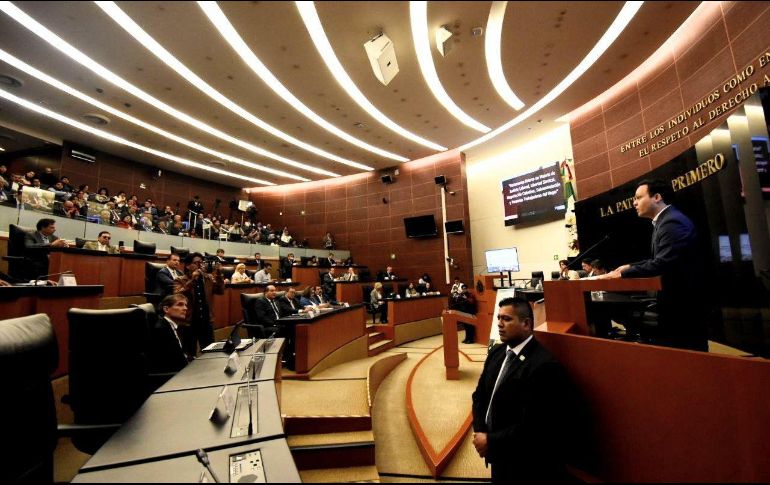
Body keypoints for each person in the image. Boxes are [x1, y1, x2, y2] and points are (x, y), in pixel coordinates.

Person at [471, 297, 570, 483]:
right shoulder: (496, 352)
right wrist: (480, 432)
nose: (499, 324)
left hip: (525, 462)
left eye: (507, 319)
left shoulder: (544, 365)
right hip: (495, 453)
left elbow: (536, 425)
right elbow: (479, 396)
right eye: (499, 318)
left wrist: (490, 440)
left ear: (526, 324)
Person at [600, 179, 707, 351]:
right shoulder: (664, 221)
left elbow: (662, 263)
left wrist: (623, 273)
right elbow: (659, 259)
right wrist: (629, 266)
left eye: (638, 197)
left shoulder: (672, 222)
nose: (634, 203)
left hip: (683, 304)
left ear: (657, 197)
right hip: (677, 301)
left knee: (688, 355)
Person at [174, 252, 225, 356]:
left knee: (209, 353)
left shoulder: (208, 278)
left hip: (206, 321)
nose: (200, 265)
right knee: (189, 354)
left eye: (201, 263)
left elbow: (220, 291)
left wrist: (219, 273)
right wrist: (193, 280)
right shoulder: (180, 280)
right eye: (196, 263)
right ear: (188, 266)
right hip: (189, 323)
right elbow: (178, 295)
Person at [151, 294, 191, 373]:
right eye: (180, 304)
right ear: (166, 309)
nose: (185, 308)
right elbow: (172, 361)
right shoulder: (161, 330)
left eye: (185, 305)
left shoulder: (176, 327)